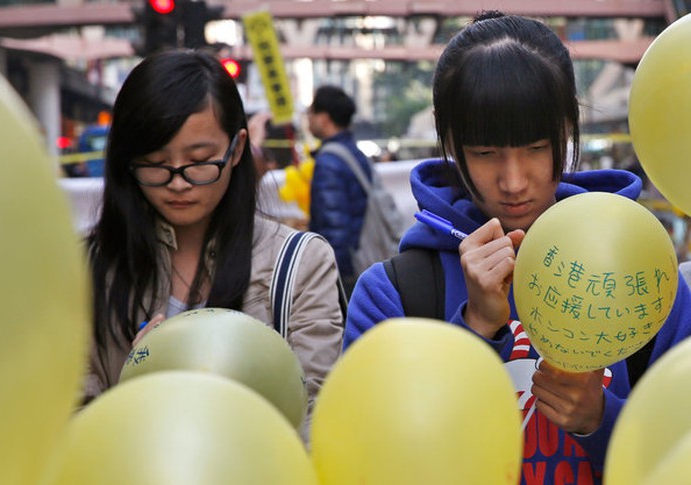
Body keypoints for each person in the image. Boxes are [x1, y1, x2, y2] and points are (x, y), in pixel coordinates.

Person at [344, 12, 691, 484]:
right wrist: (476, 328)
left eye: (535, 148)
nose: (513, 181)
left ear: (567, 129)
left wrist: (600, 419)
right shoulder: (395, 292)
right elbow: (364, 458)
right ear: (450, 143)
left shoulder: (644, 277)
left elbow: (678, 447)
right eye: (485, 154)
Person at [82, 50, 345, 438]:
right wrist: (136, 390)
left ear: (237, 149)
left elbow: (312, 421)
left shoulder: (300, 263)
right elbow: (68, 424)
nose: (177, 182)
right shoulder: (85, 267)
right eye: (155, 162)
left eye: (199, 160)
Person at [307, 85, 373, 296]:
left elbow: (334, 227)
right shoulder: (354, 152)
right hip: (363, 259)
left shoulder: (328, 161)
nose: (308, 118)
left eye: (311, 112)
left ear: (323, 118)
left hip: (346, 271)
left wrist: (331, 277)